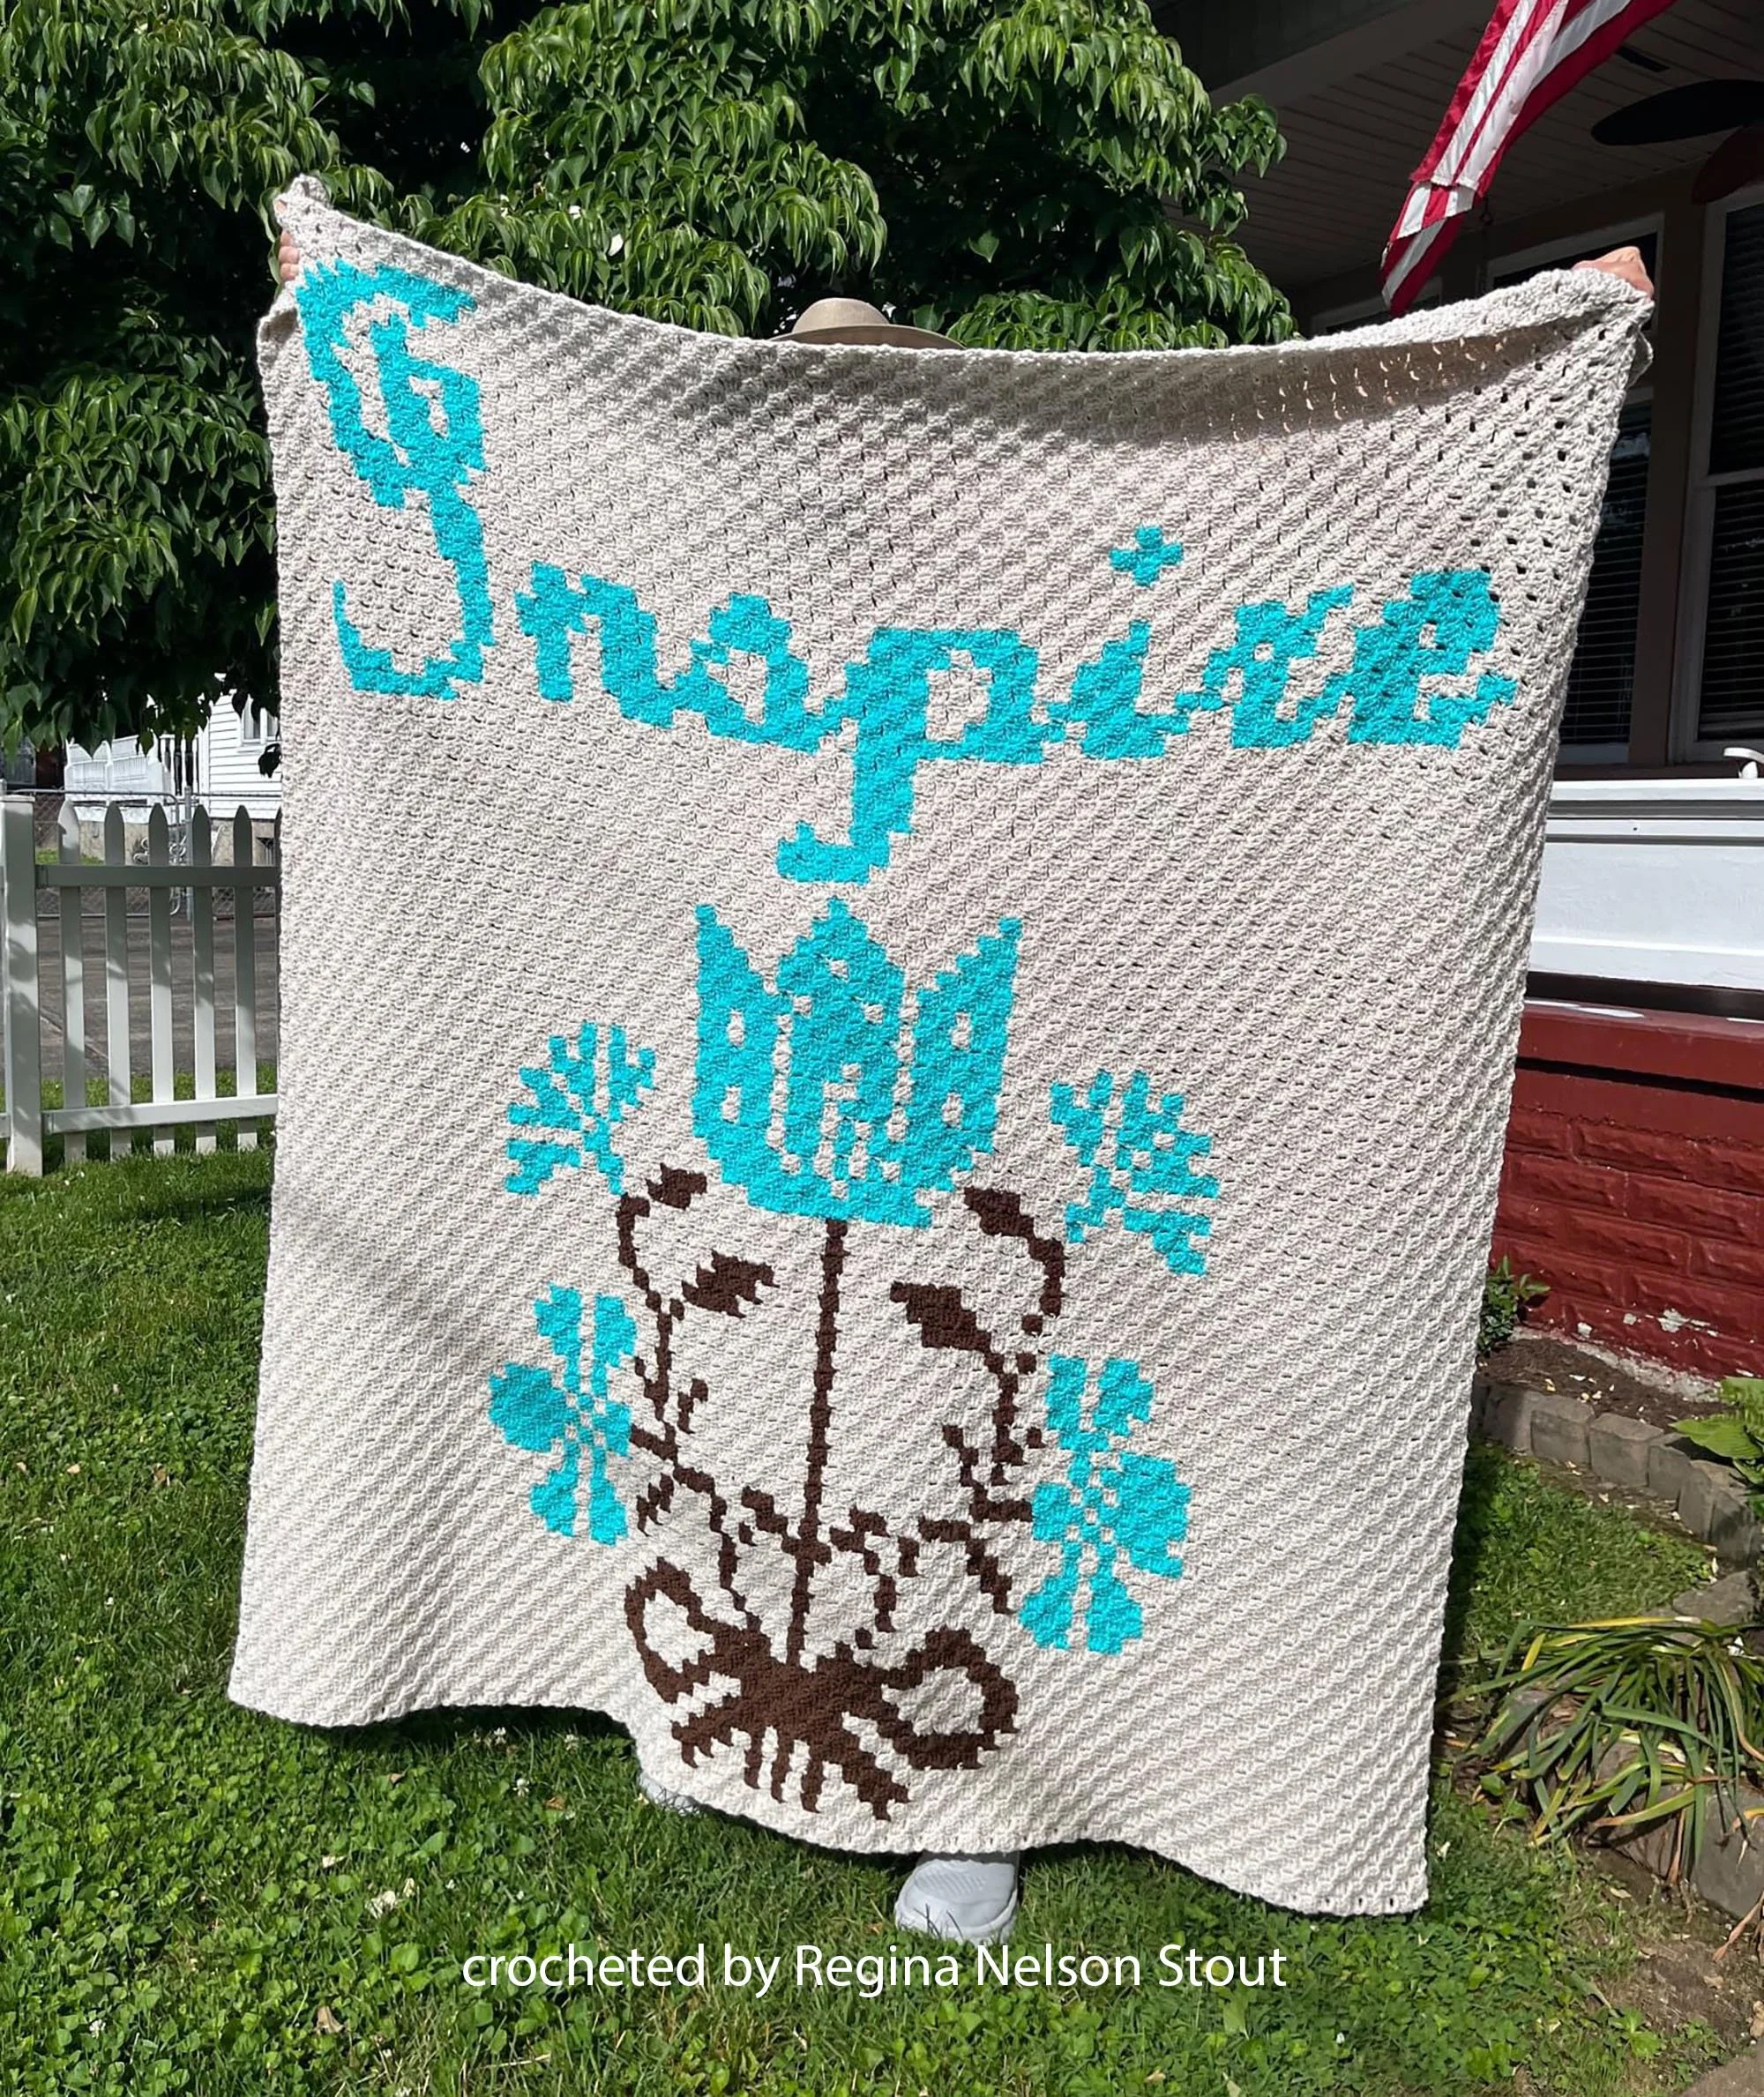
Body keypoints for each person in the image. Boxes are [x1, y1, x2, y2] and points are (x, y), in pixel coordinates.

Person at [268, 220, 1653, 1944]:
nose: (852, 405)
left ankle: (981, 1791)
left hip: (1002, 1051)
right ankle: (666, 1685)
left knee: (954, 1405)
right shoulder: (702, 506)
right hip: (746, 1054)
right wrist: (337, 293)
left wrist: (1540, 341)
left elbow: (1239, 581)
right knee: (732, 1376)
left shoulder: (1031, 512)